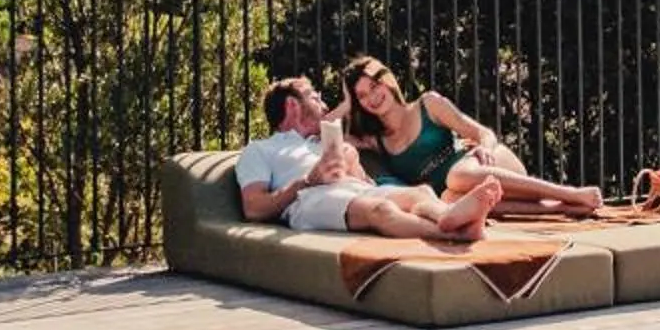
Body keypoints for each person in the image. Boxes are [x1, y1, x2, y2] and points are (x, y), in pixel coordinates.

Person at [238, 76, 502, 239]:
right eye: (314, 97)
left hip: (351, 189)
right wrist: (308, 181)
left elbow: (362, 185)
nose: (324, 105)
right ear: (292, 105)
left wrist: (352, 165)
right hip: (308, 199)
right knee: (381, 210)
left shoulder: (324, 141)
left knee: (419, 193)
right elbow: (254, 208)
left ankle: (452, 216)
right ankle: (456, 232)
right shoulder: (261, 149)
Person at [336, 54, 601, 217]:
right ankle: (562, 207)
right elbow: (320, 133)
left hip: (486, 165)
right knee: (449, 199)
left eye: (374, 85)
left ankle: (570, 193)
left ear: (387, 80)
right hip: (464, 195)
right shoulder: (373, 140)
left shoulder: (429, 104)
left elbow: (482, 132)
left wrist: (485, 147)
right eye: (361, 95)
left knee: (457, 176)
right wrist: (346, 104)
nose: (372, 97)